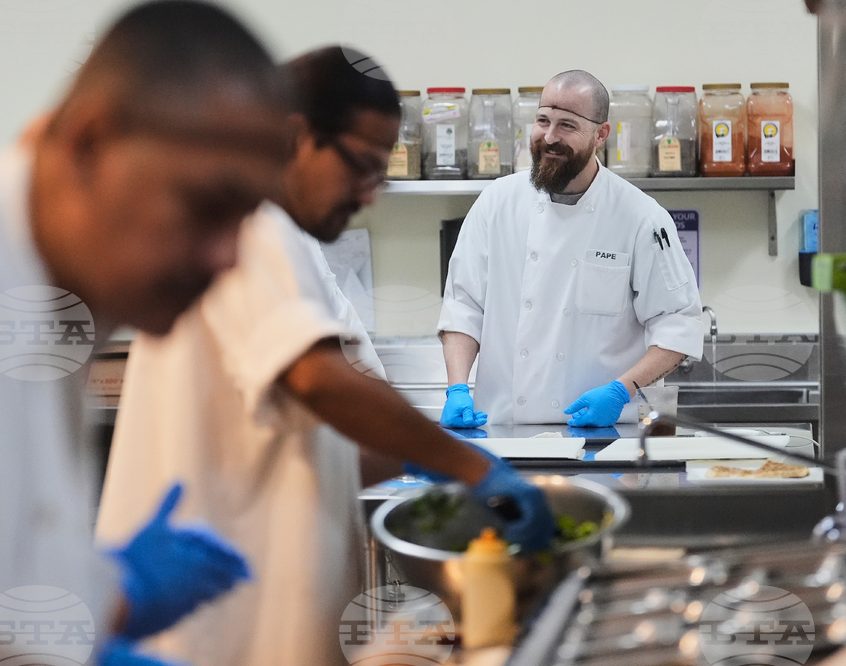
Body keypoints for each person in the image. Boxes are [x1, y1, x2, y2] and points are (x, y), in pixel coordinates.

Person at [95, 46, 555, 666]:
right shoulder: (252, 223)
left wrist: (433, 494)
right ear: (295, 136)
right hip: (211, 623)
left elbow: (319, 428)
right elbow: (318, 379)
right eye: (361, 168)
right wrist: (466, 467)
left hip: (265, 612)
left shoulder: (294, 243)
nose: (370, 194)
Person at [0, 2, 292, 665]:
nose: (229, 258)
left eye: (246, 219)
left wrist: (110, 591)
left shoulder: (56, 295)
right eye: (205, 207)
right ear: (87, 144)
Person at [438, 70, 703, 428]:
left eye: (567, 125)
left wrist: (621, 390)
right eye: (543, 121)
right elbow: (463, 306)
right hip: (503, 430)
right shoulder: (495, 204)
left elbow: (679, 325)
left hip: (603, 437)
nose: (549, 137)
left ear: (601, 134)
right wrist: (457, 387)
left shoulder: (641, 217)